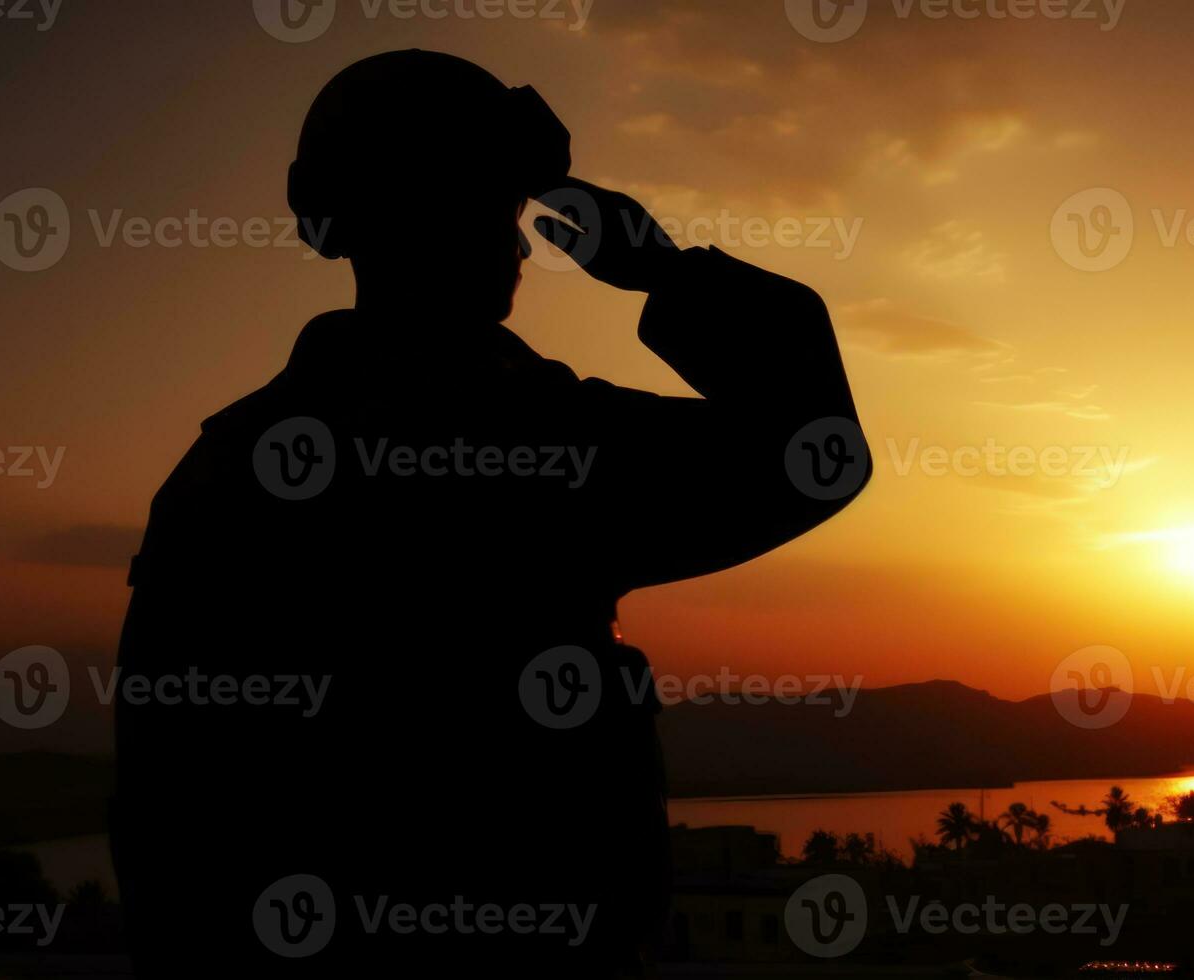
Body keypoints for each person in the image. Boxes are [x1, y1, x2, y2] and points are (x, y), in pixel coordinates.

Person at [110, 49, 870, 975]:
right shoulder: (544, 449)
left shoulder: (223, 466)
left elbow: (161, 811)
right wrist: (668, 273)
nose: (519, 243)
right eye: (502, 209)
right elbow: (817, 456)